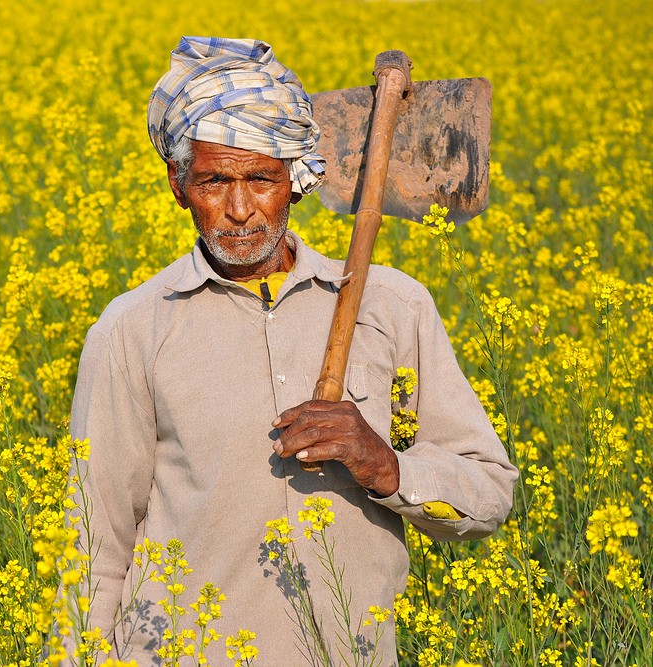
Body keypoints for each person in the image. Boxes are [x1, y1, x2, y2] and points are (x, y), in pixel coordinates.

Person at [65, 36, 518, 665]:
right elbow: (95, 545)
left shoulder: (391, 307)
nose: (239, 210)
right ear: (178, 185)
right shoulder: (132, 330)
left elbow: (489, 493)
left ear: (296, 181)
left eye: (261, 179)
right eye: (214, 181)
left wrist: (386, 466)